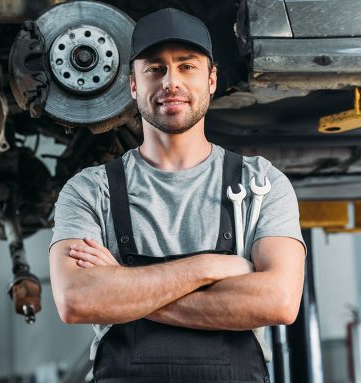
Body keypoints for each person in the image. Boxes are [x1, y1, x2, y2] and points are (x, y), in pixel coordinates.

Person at [49, 8, 306, 383]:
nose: (171, 82)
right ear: (133, 85)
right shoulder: (90, 190)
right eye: (155, 69)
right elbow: (76, 301)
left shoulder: (262, 184)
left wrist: (122, 283)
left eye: (187, 67)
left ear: (212, 79)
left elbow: (279, 302)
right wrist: (209, 268)